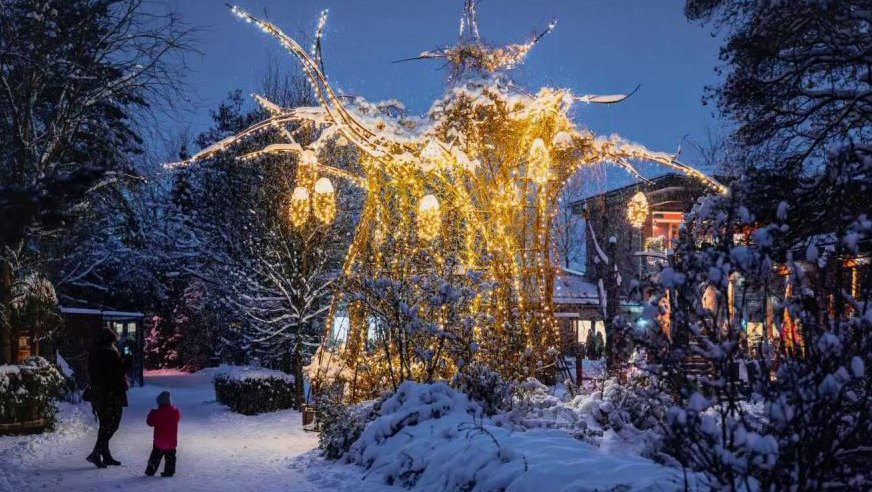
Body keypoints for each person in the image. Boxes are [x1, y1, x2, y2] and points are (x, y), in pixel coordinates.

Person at [86, 327, 130, 468]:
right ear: (110, 340)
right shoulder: (108, 352)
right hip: (111, 394)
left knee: (105, 425)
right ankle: (96, 453)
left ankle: (105, 456)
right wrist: (127, 361)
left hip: (99, 394)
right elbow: (116, 373)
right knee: (112, 424)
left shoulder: (94, 351)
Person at [145, 391, 181, 477]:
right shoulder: (175, 412)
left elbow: (150, 422)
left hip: (159, 441)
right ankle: (169, 471)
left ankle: (151, 470)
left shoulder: (157, 413)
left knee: (155, 456)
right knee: (171, 458)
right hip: (171, 441)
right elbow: (177, 419)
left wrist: (152, 413)